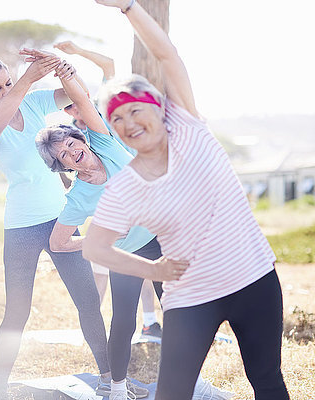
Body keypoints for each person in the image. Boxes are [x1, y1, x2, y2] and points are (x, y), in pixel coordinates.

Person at [83, 1, 289, 399]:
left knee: (266, 380)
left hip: (253, 278)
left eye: (134, 110)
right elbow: (95, 246)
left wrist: (127, 6)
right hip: (192, 295)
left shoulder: (189, 127)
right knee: (172, 393)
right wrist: (153, 271)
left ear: (159, 109)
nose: (127, 124)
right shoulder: (126, 185)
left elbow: (166, 54)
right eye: (117, 119)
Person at [0, 52, 111, 399]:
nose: (4, 91)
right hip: (21, 227)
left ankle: (109, 378)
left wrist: (65, 70)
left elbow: (78, 95)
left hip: (61, 219)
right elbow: (0, 120)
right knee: (18, 311)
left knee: (88, 300)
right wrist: (28, 78)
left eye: (7, 83)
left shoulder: (32, 103)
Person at [34, 55, 162, 399]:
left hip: (161, 238)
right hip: (127, 253)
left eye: (72, 142)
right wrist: (94, 239)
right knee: (124, 321)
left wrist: (66, 72)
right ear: (62, 165)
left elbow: (83, 103)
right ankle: (117, 389)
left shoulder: (105, 142)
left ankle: (177, 376)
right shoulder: (78, 197)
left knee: (179, 310)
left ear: (82, 139)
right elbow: (59, 243)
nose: (72, 150)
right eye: (63, 154)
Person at [54, 41, 162, 337]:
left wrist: (76, 49)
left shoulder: (102, 107)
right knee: (113, 273)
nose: (74, 110)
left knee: (148, 261)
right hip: (111, 195)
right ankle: (97, 333)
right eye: (68, 109)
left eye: (75, 103)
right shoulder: (83, 135)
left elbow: (109, 65)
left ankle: (150, 321)